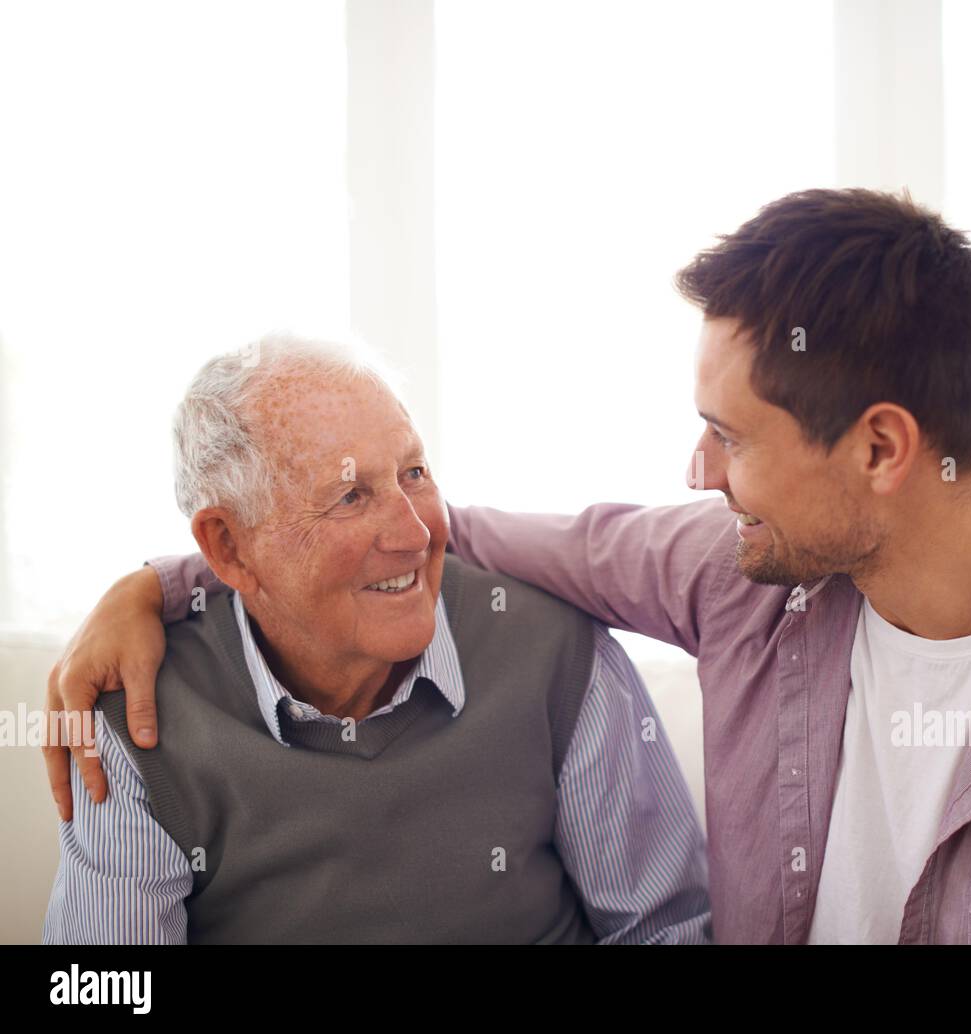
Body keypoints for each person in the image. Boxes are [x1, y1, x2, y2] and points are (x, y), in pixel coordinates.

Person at [48, 189, 971, 944]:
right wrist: (169, 583)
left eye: (729, 437)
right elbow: (424, 530)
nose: (693, 469)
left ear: (883, 446)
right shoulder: (740, 569)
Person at [43, 334, 710, 944]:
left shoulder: (558, 653)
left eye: (414, 474)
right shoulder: (136, 720)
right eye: (351, 496)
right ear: (229, 546)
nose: (415, 535)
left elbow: (664, 931)